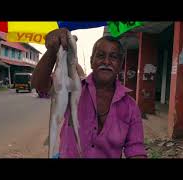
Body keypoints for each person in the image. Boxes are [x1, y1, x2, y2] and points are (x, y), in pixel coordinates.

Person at [32, 28, 147, 158]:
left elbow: (136, 149)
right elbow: (39, 85)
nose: (106, 62)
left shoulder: (130, 107)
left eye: (113, 57)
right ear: (92, 61)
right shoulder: (73, 90)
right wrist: (52, 51)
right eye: (101, 56)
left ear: (120, 64)